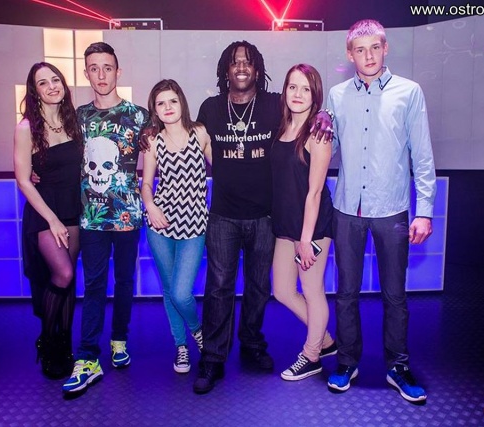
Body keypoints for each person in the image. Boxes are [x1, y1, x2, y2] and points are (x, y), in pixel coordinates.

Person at [188, 40, 334, 394]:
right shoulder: (211, 107)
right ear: (226, 69)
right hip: (223, 214)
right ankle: (213, 358)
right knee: (219, 288)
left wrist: (327, 115)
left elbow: (308, 104)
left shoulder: (273, 104)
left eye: (248, 62)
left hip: (267, 217)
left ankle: (252, 343)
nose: (241, 67)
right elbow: (187, 135)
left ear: (258, 70)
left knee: (259, 288)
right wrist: (152, 130)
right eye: (235, 62)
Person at [326, 19, 436, 403]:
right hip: (347, 209)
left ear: (385, 48)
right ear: (350, 54)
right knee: (345, 293)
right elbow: (327, 149)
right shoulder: (337, 96)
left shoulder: (410, 92)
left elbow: (422, 156)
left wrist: (425, 211)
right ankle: (346, 362)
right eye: (360, 49)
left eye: (375, 47)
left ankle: (398, 367)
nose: (368, 56)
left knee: (395, 296)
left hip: (392, 210)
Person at [62, 42, 149, 394]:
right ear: (86, 73)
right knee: (94, 285)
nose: (101, 74)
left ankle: (119, 340)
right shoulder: (77, 117)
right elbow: (55, 150)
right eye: (94, 68)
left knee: (125, 282)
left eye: (107, 67)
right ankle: (87, 357)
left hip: (128, 216)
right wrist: (35, 170)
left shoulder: (139, 116)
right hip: (92, 218)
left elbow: (170, 144)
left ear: (118, 72)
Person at [14, 62, 83, 379]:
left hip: (73, 209)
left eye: (55, 80)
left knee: (69, 282)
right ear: (35, 91)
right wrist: (53, 220)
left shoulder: (74, 122)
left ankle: (64, 345)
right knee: (63, 274)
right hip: (45, 213)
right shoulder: (27, 127)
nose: (52, 86)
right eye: (43, 82)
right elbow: (23, 179)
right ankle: (46, 340)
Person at [270, 64, 337, 382]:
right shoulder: (281, 127)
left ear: (315, 95)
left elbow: (314, 192)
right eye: (292, 87)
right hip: (285, 227)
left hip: (313, 229)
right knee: (282, 291)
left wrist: (306, 239)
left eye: (306, 89)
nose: (298, 94)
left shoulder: (318, 133)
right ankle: (325, 340)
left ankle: (311, 356)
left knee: (312, 291)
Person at [141, 79, 212, 374]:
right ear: (154, 110)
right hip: (160, 224)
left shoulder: (200, 132)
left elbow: (224, 171)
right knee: (170, 290)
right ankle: (181, 346)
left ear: (181, 101)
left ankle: (197, 331)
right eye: (161, 103)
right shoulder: (152, 141)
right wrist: (151, 207)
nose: (168, 107)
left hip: (194, 223)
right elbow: (146, 184)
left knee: (182, 292)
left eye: (172, 100)